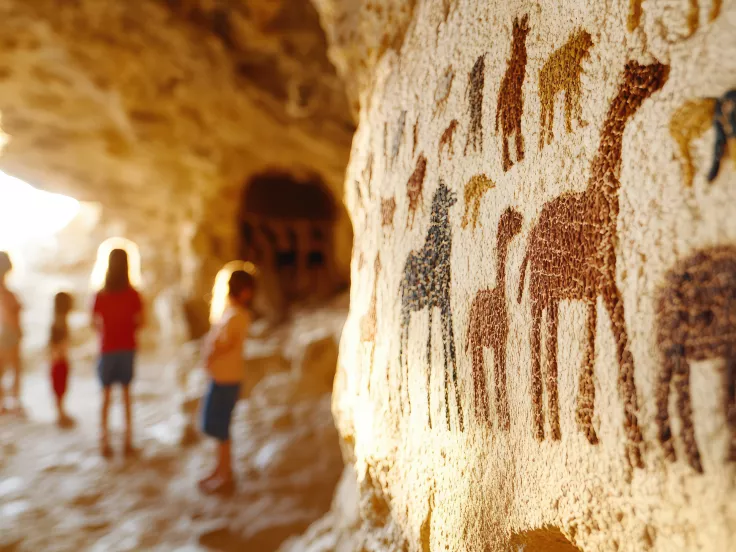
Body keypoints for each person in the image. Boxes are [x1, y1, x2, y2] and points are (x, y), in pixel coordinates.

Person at [199, 269, 254, 494]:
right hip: (221, 377)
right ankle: (219, 469)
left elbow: (226, 343)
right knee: (217, 427)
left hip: (227, 379)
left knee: (221, 429)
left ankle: (225, 474)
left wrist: (211, 351)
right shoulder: (231, 313)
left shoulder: (237, 316)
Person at [92, 248, 144, 457]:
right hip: (127, 347)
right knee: (126, 395)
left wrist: (107, 333)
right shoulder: (133, 294)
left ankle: (104, 441)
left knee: (105, 397)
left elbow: (93, 322)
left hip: (107, 348)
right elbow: (141, 321)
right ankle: (127, 440)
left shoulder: (100, 294)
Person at [0, 251, 23, 415]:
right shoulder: (5, 292)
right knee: (14, 368)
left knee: (4, 369)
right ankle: (14, 401)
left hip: (6, 331)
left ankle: (5, 402)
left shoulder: (6, 291)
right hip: (8, 332)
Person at [49, 292, 74, 427]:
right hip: (59, 361)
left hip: (58, 361)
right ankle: (60, 415)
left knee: (60, 390)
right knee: (60, 390)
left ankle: (61, 414)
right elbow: (56, 345)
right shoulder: (60, 322)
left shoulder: (58, 320)